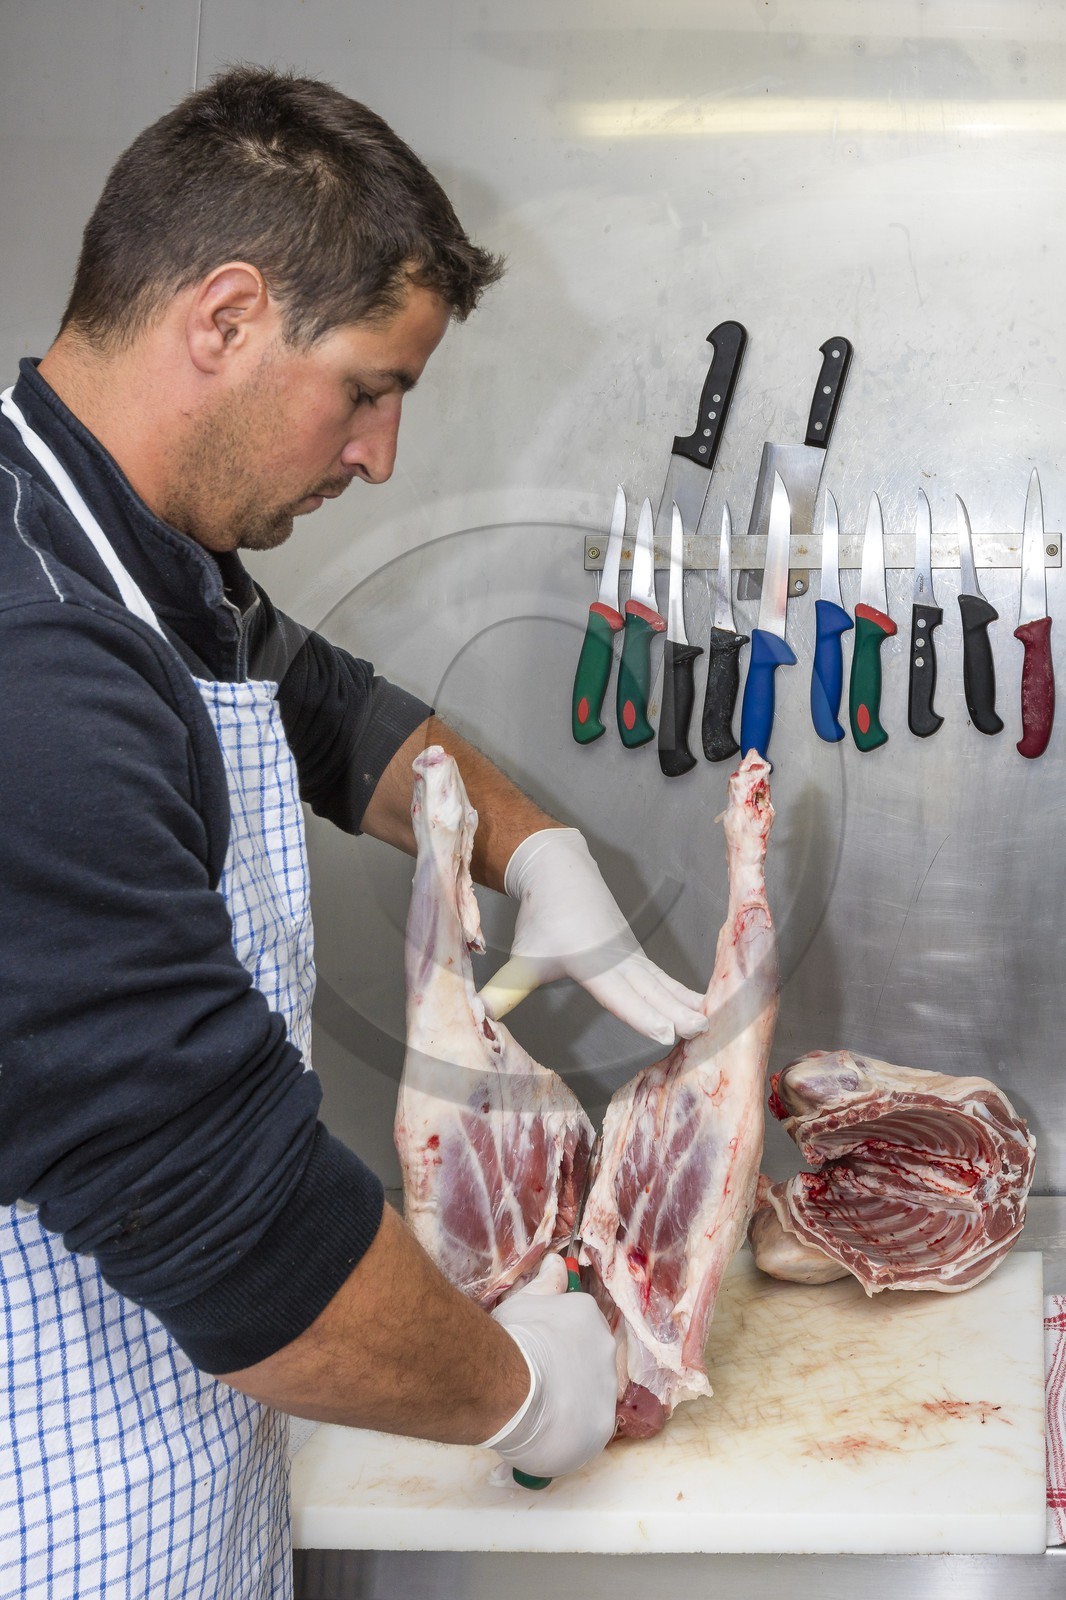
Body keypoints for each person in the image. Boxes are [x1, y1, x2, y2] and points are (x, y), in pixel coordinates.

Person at [0, 66, 709, 1597]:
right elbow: (218, 1219)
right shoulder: (32, 661)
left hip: (191, 1461)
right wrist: (520, 1391)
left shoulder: (125, 540)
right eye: (369, 390)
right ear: (225, 315)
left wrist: (537, 852)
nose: (380, 456)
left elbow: (329, 713)